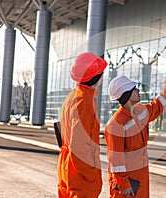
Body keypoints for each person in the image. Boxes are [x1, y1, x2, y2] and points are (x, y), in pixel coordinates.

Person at [105, 66, 166, 198]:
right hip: (126, 185)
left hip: (140, 180)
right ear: (126, 94)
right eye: (134, 89)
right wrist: (124, 185)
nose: (138, 90)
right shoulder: (115, 125)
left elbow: (158, 104)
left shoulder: (141, 111)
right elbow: (116, 160)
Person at [57, 52, 107, 197]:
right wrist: (91, 173)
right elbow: (79, 145)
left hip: (68, 167)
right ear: (96, 76)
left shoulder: (74, 96)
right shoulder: (85, 100)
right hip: (79, 174)